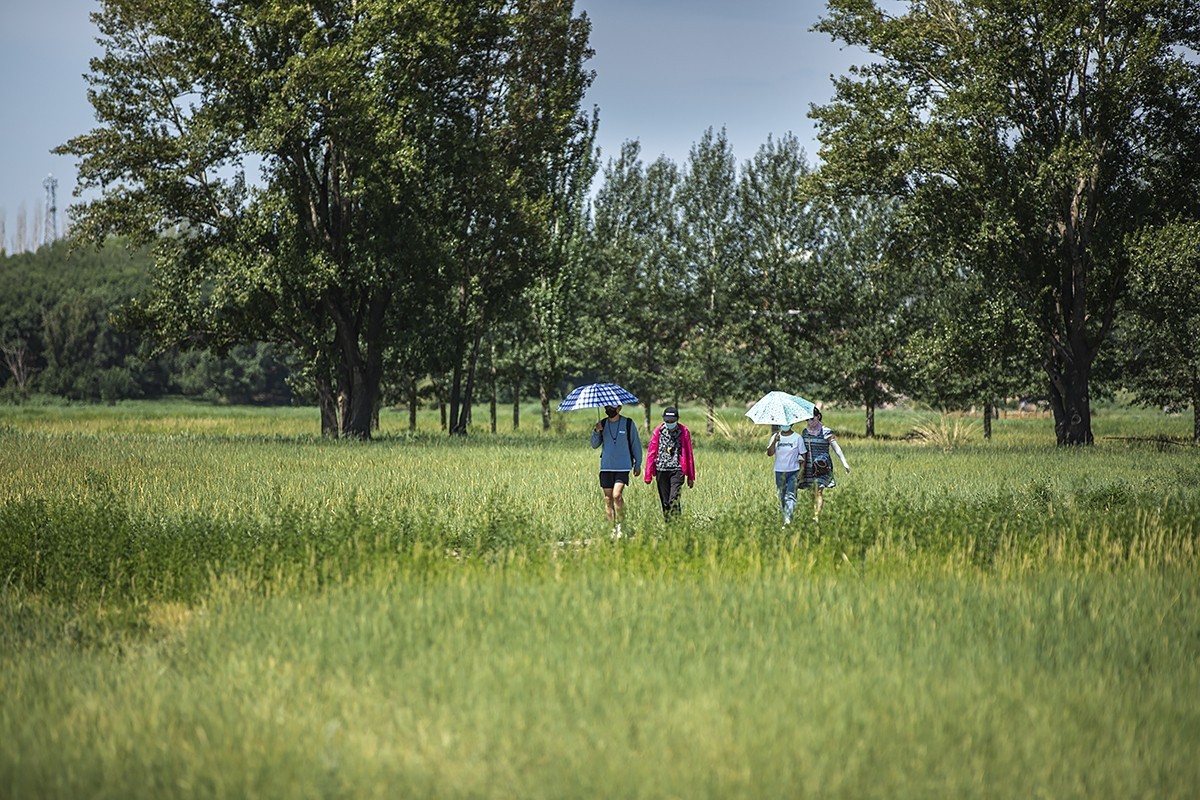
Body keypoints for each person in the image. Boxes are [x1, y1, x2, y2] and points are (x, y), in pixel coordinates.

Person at [590, 404, 642, 537]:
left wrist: (638, 464)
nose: (609, 410)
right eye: (607, 407)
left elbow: (635, 444)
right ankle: (611, 529)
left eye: (612, 408)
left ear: (619, 408)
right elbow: (594, 445)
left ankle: (622, 526)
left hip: (623, 466)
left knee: (617, 495)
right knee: (608, 499)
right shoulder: (602, 424)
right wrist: (597, 431)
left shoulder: (628, 423)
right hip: (606, 466)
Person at [643, 406, 696, 521]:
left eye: (672, 421)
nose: (670, 423)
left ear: (677, 420)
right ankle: (669, 527)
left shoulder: (684, 431)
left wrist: (691, 477)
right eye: (667, 421)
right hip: (661, 469)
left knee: (674, 498)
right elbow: (651, 453)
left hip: (677, 469)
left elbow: (689, 454)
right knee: (665, 502)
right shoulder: (658, 431)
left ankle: (677, 524)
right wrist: (648, 475)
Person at [799, 407, 850, 523]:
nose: (810, 422)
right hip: (808, 466)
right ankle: (813, 513)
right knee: (812, 491)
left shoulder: (826, 431)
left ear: (818, 417)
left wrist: (844, 462)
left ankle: (817, 516)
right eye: (808, 420)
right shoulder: (805, 433)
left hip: (822, 465)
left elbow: (836, 448)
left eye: (812, 419)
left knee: (819, 491)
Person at [767, 421, 806, 525]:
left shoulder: (797, 438)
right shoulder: (775, 437)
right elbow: (769, 453)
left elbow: (803, 456)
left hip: (793, 471)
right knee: (782, 496)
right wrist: (774, 441)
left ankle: (787, 521)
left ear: (792, 424)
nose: (784, 425)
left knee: (790, 496)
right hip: (779, 471)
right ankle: (787, 517)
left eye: (787, 423)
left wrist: (801, 473)